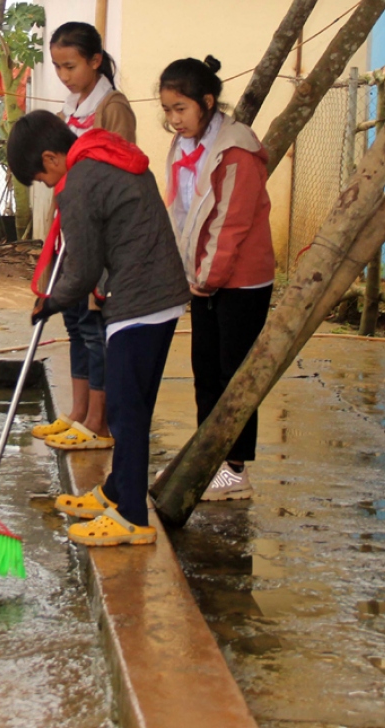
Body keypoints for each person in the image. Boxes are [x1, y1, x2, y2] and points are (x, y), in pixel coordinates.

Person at [9, 110, 190, 546]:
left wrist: (52, 302)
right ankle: (115, 491)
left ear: (53, 158)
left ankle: (131, 517)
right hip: (159, 295)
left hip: (139, 302)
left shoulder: (80, 183)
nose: (49, 187)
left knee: (127, 413)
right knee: (132, 407)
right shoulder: (100, 155)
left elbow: (85, 267)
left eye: (42, 178)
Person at [160, 56, 275, 501]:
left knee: (235, 374)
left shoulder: (236, 152)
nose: (173, 120)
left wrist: (205, 277)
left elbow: (230, 223)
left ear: (207, 103)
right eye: (168, 110)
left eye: (181, 110)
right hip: (202, 277)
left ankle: (236, 466)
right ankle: (209, 455)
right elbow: (180, 211)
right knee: (204, 370)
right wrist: (188, 273)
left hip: (240, 280)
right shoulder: (182, 147)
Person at [30, 22, 137, 453]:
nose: (64, 75)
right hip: (67, 233)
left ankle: (99, 421)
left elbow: (120, 167)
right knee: (75, 323)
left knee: (95, 328)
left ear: (95, 60)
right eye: (57, 67)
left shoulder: (112, 107)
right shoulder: (68, 105)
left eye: (70, 65)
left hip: (99, 236)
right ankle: (76, 412)